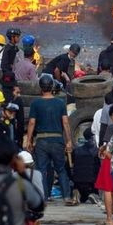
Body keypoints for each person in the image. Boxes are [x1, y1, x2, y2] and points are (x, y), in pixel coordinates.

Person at [25, 73, 75, 205]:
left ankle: (43, 197)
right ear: (52, 86)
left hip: (41, 141)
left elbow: (31, 123)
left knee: (42, 169)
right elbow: (65, 123)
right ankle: (67, 197)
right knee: (61, 169)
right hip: (57, 140)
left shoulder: (35, 103)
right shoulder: (59, 103)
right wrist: (69, 140)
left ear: (40, 88)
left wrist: (29, 140)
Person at [72, 128, 100, 203]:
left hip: (77, 181)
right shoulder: (97, 151)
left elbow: (69, 165)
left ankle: (77, 193)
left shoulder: (76, 150)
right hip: (92, 183)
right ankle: (93, 195)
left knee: (82, 199)